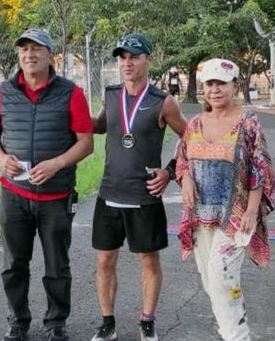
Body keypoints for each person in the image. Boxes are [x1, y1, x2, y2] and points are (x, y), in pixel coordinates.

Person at [0, 28, 94, 341]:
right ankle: (18, 323)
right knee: (13, 264)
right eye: (24, 49)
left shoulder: (70, 93)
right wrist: (0, 159)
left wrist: (57, 163)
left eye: (36, 49)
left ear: (50, 56)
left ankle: (56, 323)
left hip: (56, 197)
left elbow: (86, 143)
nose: (29, 55)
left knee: (57, 266)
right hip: (14, 196)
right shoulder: (3, 92)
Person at [90, 33, 187, 341]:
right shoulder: (111, 94)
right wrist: (71, 114)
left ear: (148, 60)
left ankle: (147, 320)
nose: (127, 62)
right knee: (105, 259)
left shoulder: (163, 102)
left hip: (144, 196)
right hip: (109, 193)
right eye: (122, 57)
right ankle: (108, 323)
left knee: (148, 259)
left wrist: (169, 172)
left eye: (134, 56)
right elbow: (103, 126)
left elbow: (191, 139)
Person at [176, 58, 275, 341]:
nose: (215, 89)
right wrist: (184, 179)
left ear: (235, 86)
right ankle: (231, 330)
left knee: (222, 278)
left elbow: (259, 168)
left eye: (222, 83)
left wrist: (252, 211)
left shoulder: (248, 123)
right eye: (210, 83)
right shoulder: (195, 123)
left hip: (235, 215)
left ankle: (238, 337)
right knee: (210, 280)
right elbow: (181, 160)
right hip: (200, 215)